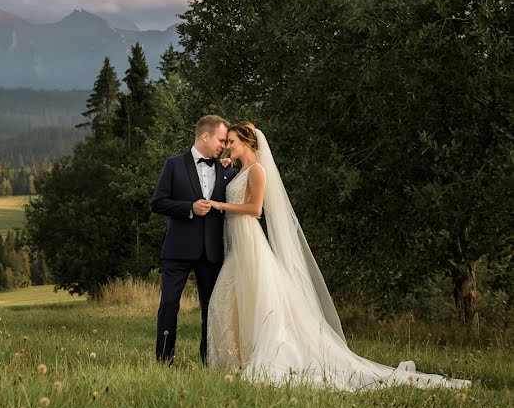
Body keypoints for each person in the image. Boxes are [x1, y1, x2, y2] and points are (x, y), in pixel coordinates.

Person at [206, 121, 470, 390]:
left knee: (252, 296)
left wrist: (219, 204)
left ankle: (263, 355)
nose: (228, 147)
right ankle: (237, 358)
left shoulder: (258, 171)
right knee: (229, 299)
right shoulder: (239, 170)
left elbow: (255, 209)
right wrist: (227, 169)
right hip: (237, 241)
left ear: (248, 143)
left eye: (232, 142)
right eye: (226, 143)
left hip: (250, 240)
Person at [151, 115, 237, 364]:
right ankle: (164, 360)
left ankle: (207, 359)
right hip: (177, 250)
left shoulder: (226, 169)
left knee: (211, 309)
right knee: (168, 304)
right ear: (205, 136)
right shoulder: (174, 164)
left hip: (211, 252)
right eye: (221, 139)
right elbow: (158, 202)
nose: (224, 145)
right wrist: (189, 207)